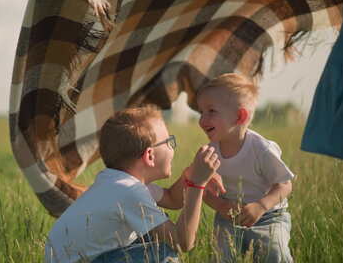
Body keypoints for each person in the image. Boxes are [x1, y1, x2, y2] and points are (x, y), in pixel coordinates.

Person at [44, 105, 221, 263]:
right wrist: (197, 184)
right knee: (163, 252)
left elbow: (171, 199)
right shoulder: (128, 191)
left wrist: (191, 176)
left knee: (152, 237)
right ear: (150, 156)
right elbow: (182, 242)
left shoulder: (118, 182)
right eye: (169, 142)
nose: (172, 148)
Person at [195, 73, 295, 263]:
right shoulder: (210, 151)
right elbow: (202, 188)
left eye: (211, 111)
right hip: (228, 217)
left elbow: (284, 185)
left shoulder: (261, 149)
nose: (202, 120)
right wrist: (221, 206)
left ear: (239, 116)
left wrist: (261, 206)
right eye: (201, 112)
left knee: (274, 253)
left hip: (269, 217)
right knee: (220, 257)